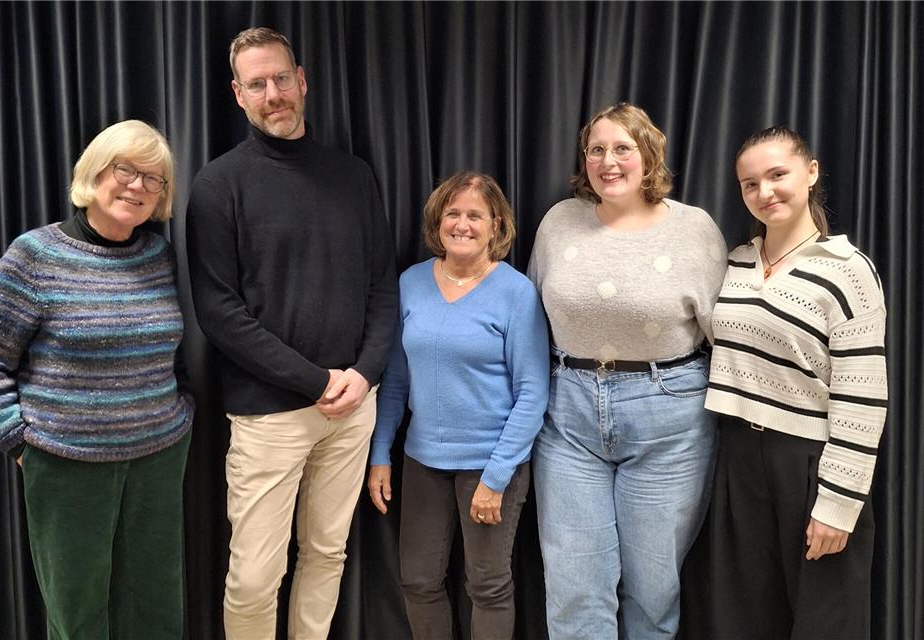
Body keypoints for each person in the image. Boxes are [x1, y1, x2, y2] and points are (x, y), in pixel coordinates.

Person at [184, 27, 398, 640]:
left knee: (327, 556)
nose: (273, 93)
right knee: (255, 576)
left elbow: (383, 287)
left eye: (281, 78)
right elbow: (220, 313)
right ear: (238, 94)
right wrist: (317, 380)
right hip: (269, 415)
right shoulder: (218, 186)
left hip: (353, 407)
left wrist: (363, 375)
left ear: (302, 80)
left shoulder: (354, 176)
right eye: (258, 84)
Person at [0, 119, 194, 639]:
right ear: (96, 173)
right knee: (77, 612)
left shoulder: (159, 256)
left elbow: (174, 347)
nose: (137, 186)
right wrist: (18, 441)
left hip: (158, 456)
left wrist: (180, 407)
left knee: (156, 608)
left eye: (152, 179)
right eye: (125, 170)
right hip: (66, 465)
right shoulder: (36, 256)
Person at [527, 103, 728, 639]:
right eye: (596, 149)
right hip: (568, 413)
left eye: (622, 148)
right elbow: (530, 319)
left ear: (648, 155)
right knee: (573, 587)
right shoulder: (559, 221)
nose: (608, 161)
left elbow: (723, 335)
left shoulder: (694, 229)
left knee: (652, 588)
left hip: (669, 413)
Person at [696, 126, 887, 639]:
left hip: (809, 464)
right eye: (749, 183)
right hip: (737, 459)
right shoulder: (734, 262)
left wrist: (837, 506)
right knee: (744, 621)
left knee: (825, 624)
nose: (765, 192)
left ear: (811, 172)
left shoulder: (849, 271)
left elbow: (863, 398)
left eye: (777, 175)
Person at [367, 172, 549, 640]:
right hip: (423, 460)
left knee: (487, 585)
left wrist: (495, 478)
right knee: (419, 581)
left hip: (491, 465)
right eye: (453, 213)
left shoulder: (516, 293)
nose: (462, 224)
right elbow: (395, 379)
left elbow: (533, 392)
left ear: (496, 225)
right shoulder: (410, 283)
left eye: (475, 215)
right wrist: (381, 453)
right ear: (437, 221)